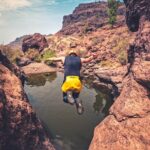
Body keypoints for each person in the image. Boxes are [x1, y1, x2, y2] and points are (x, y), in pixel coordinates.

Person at [47, 50, 97, 114]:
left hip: (68, 80)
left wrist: (48, 58)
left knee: (65, 98)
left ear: (69, 54)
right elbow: (88, 60)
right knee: (76, 97)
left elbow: (54, 59)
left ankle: (69, 94)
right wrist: (93, 56)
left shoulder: (64, 58)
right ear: (76, 55)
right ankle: (78, 103)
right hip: (77, 81)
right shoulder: (80, 59)